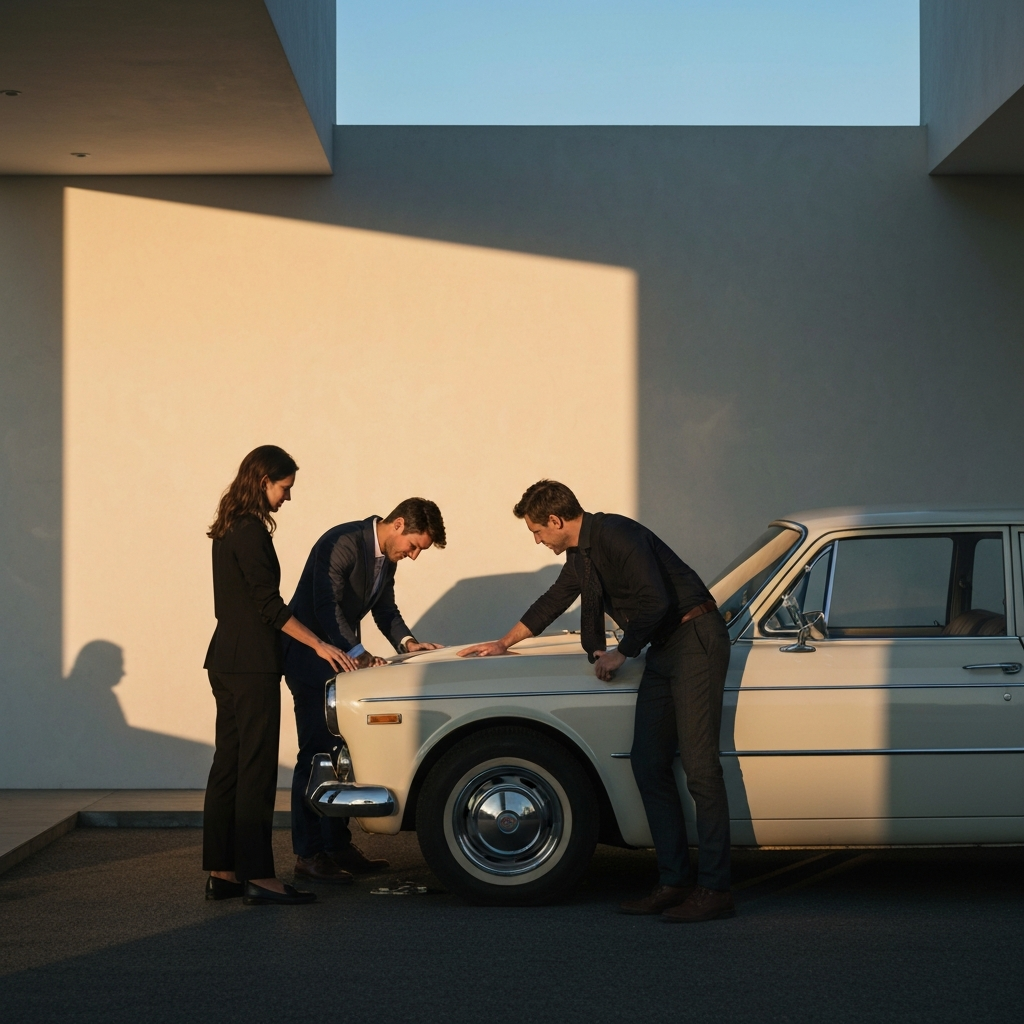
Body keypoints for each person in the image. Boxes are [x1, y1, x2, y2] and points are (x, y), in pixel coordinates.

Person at [458, 480, 733, 923]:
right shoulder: (581, 556)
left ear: (556, 520)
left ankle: (716, 889)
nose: (537, 540)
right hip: (664, 646)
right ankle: (674, 881)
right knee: (647, 761)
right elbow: (554, 600)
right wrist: (503, 642)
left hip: (695, 637)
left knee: (701, 768)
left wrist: (624, 651)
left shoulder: (618, 535)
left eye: (536, 531)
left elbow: (656, 600)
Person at [203, 445, 350, 907]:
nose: (287, 497)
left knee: (227, 766)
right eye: (284, 487)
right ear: (264, 480)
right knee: (255, 770)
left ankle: (223, 872)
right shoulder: (249, 531)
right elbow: (269, 606)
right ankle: (259, 878)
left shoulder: (228, 528)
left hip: (225, 661)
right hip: (251, 665)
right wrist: (318, 643)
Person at [284, 498, 447, 883]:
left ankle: (337, 847)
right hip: (309, 659)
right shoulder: (342, 541)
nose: (413, 556)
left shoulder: (386, 558)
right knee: (315, 755)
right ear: (398, 525)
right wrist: (358, 652)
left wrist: (408, 643)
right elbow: (327, 606)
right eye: (414, 546)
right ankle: (308, 855)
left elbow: (385, 610)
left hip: (340, 664)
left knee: (343, 756)